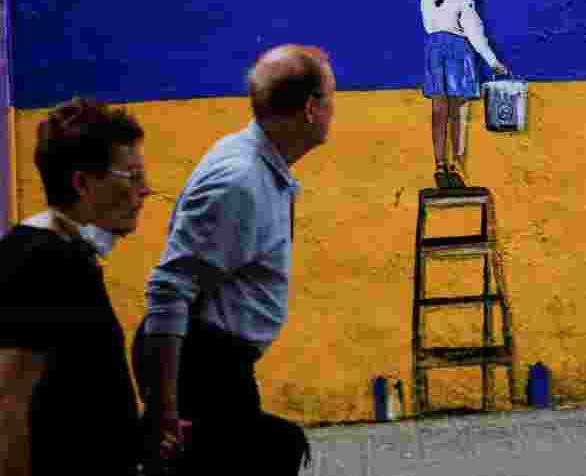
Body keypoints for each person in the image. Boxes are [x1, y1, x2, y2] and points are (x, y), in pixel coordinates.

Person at [134, 45, 335, 476]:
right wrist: (165, 408)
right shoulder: (241, 181)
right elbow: (169, 291)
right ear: (310, 110)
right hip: (200, 365)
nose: (334, 110)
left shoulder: (259, 166)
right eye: (330, 99)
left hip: (219, 364)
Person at [0, 97, 151, 476]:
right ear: (83, 183)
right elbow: (9, 403)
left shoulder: (68, 254)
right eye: (132, 177)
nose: (146, 189)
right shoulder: (41, 261)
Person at [398, 0, 509, 189]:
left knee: (438, 112)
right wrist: (493, 62)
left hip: (435, 53)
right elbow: (476, 35)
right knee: (458, 113)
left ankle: (439, 163)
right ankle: (457, 163)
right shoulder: (463, 0)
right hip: (459, 55)